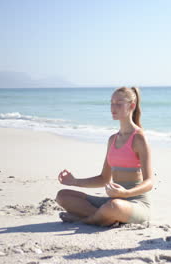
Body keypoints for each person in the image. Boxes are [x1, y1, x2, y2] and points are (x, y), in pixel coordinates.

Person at [56, 87, 153, 227]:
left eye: (119, 103)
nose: (113, 107)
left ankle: (85, 220)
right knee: (62, 196)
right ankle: (105, 217)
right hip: (113, 201)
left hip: (136, 203)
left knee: (113, 207)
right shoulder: (112, 139)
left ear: (132, 105)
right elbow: (103, 179)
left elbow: (149, 182)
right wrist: (74, 181)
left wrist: (126, 193)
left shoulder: (139, 139)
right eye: (111, 103)